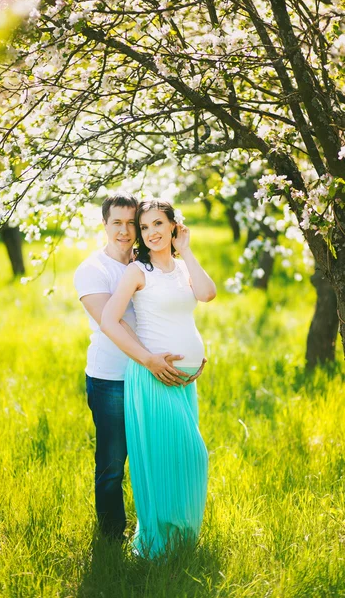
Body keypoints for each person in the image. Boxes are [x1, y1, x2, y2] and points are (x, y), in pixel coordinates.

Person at [74, 194, 205, 542]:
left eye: (132, 223)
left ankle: (168, 527)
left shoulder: (145, 260)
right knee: (114, 465)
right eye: (117, 222)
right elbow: (111, 322)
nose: (125, 230)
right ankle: (112, 539)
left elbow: (172, 310)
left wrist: (188, 351)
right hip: (112, 378)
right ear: (104, 224)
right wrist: (151, 359)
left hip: (161, 374)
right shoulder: (94, 270)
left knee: (164, 455)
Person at [101, 199, 217, 558]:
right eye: (145, 226)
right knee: (182, 456)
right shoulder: (138, 272)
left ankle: (181, 540)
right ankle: (159, 544)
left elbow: (207, 294)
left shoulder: (184, 269)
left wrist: (187, 250)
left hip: (186, 380)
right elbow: (109, 320)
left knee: (184, 458)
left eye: (158, 225)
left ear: (173, 226)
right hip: (153, 378)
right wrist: (148, 359)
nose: (151, 233)